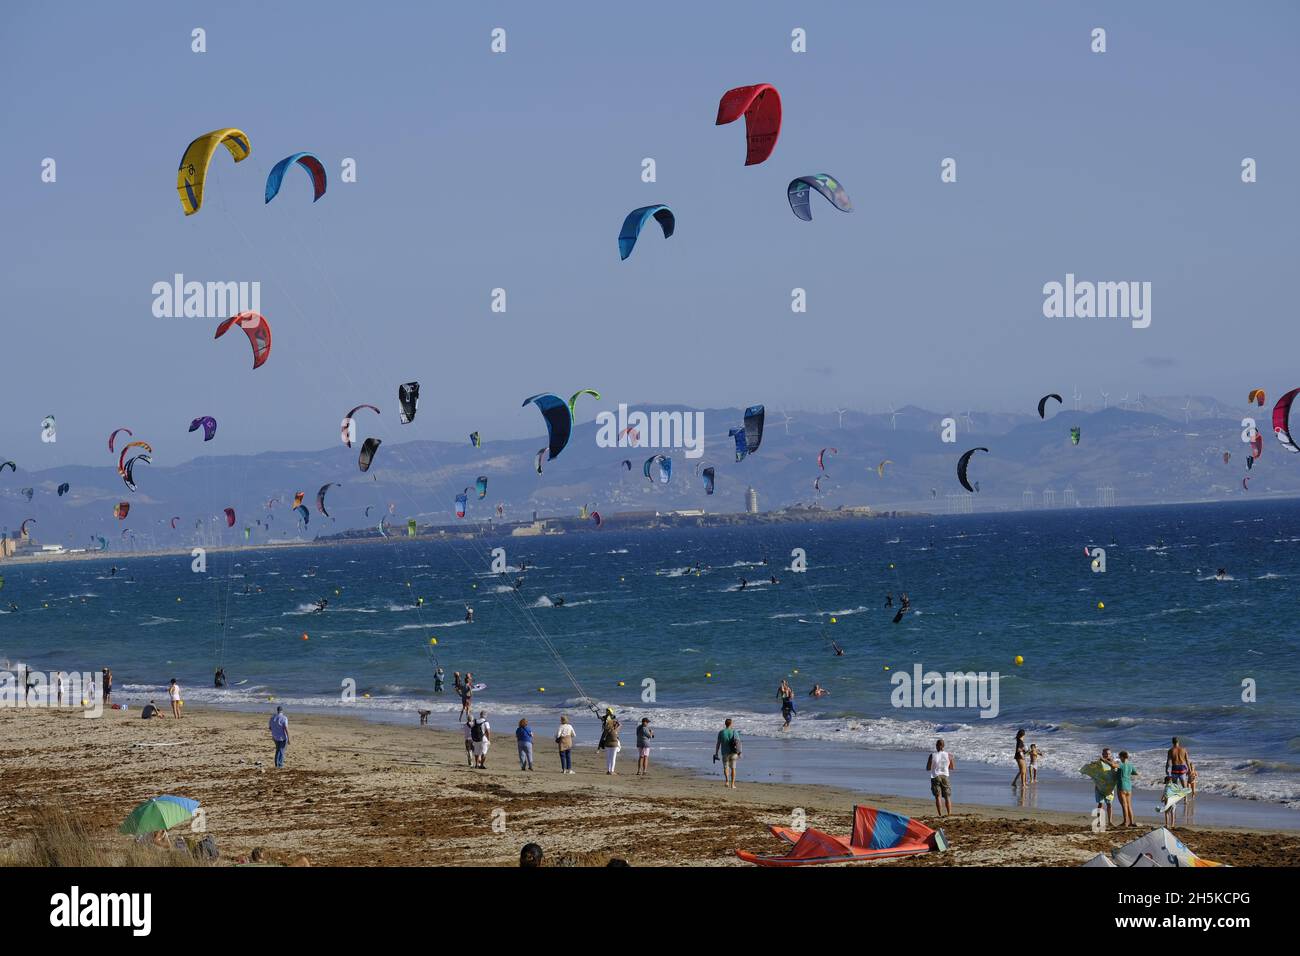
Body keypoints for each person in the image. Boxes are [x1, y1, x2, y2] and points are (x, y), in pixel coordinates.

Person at [927, 738, 954, 816]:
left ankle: (940, 814)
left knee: (938, 796)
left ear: (936, 746)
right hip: (945, 776)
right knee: (947, 796)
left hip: (935, 776)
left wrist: (934, 766)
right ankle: (949, 813)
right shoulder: (949, 755)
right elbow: (952, 767)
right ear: (943, 746)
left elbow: (928, 768)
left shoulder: (932, 755)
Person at [1094, 748, 1119, 828]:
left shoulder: (1112, 762)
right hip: (1100, 786)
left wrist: (1104, 760)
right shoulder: (1099, 763)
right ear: (1102, 754)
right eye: (1105, 753)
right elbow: (1094, 773)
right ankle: (1099, 821)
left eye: (1108, 754)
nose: (1106, 755)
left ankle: (1110, 821)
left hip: (1109, 787)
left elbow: (1114, 766)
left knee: (1109, 804)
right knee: (1100, 804)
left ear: (1110, 754)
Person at [714, 718, 741, 789]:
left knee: (726, 767)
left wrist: (716, 753)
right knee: (733, 768)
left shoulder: (721, 732)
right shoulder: (735, 732)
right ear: (731, 724)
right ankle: (732, 784)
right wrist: (739, 752)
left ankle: (727, 781)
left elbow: (718, 744)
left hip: (725, 753)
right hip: (733, 753)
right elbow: (738, 743)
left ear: (725, 724)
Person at [1116, 751, 1139, 827]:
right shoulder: (1130, 765)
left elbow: (1113, 765)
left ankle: (1126, 822)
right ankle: (1131, 822)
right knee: (1129, 805)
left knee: (1124, 805)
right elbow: (1136, 773)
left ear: (1122, 757)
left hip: (1122, 786)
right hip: (1129, 787)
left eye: (1120, 757)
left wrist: (1105, 760)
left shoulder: (1121, 765)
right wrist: (1128, 773)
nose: (1119, 758)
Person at [598, 708, 621, 774]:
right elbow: (620, 724)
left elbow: (602, 738)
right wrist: (615, 722)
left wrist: (599, 748)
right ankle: (612, 771)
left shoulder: (606, 729)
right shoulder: (615, 730)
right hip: (614, 744)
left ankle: (608, 770)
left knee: (608, 758)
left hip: (607, 744)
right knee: (613, 758)